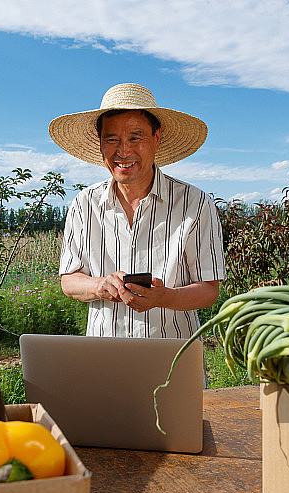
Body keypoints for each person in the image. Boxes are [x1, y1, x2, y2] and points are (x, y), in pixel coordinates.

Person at [49, 82, 225, 338]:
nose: (123, 151)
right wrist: (100, 285)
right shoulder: (84, 203)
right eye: (112, 139)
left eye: (135, 137)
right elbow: (69, 281)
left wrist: (165, 297)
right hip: (103, 356)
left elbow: (209, 290)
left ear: (156, 138)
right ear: (100, 145)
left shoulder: (194, 203)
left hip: (173, 356)